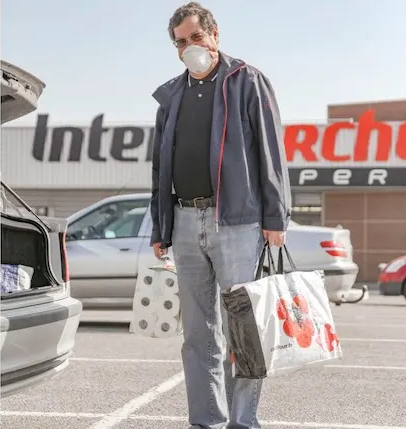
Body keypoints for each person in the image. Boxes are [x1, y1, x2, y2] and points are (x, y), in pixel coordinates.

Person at [149, 2, 291, 428]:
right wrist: (161, 225)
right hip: (186, 221)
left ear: (214, 36)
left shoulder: (246, 80)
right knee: (197, 335)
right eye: (180, 42)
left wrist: (275, 218)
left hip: (238, 222)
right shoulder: (171, 95)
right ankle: (206, 421)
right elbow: (160, 166)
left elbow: (271, 152)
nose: (188, 47)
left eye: (195, 37)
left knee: (242, 331)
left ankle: (243, 422)